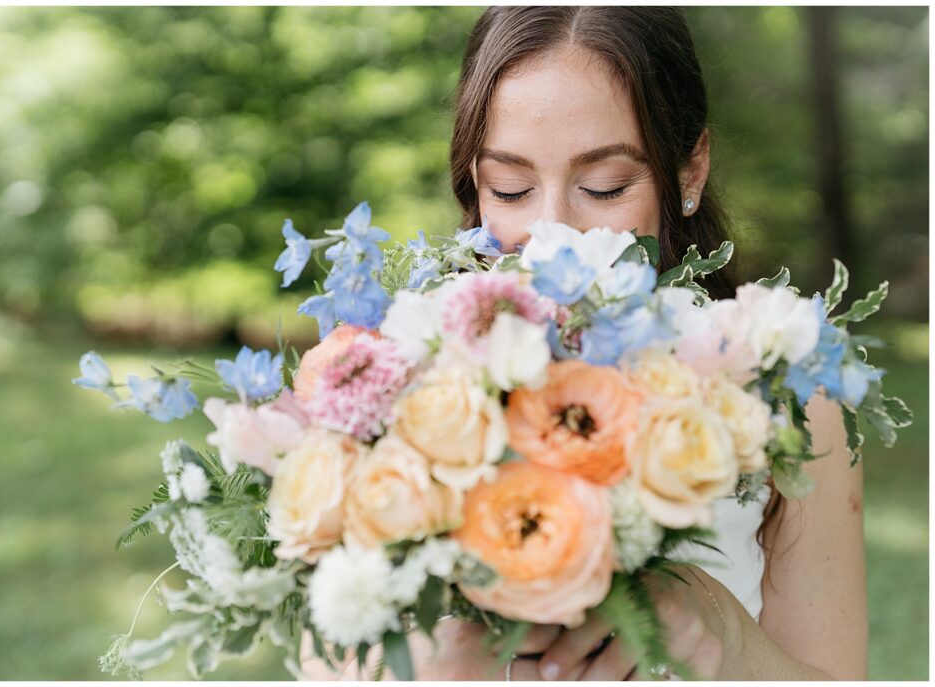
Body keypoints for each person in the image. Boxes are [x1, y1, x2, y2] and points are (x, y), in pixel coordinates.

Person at [302, 6, 866, 680]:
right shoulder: (389, 382)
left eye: (604, 187)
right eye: (510, 188)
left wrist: (726, 636)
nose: (552, 238)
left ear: (689, 172)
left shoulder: (795, 396)